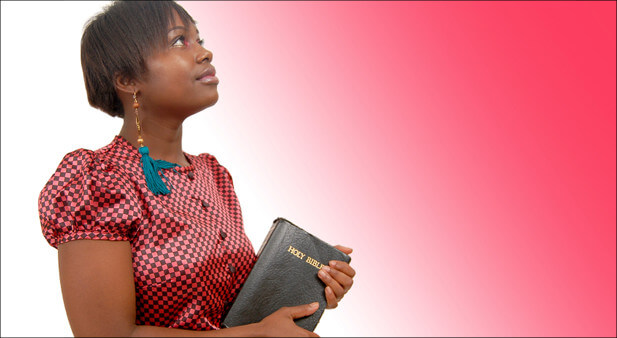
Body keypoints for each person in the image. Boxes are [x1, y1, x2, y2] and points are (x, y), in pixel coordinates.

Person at [37, 1, 355, 337]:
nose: (205, 53)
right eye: (178, 41)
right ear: (128, 79)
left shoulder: (213, 176)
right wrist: (256, 335)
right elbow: (106, 334)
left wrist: (308, 286)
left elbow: (231, 317)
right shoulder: (95, 182)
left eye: (199, 39)